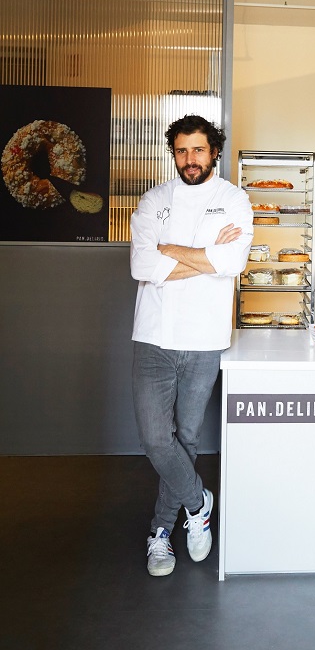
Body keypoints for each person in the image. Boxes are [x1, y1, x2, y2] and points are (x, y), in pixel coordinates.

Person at [130, 114, 253, 576]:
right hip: (153, 335)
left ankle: (161, 530)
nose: (190, 159)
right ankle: (198, 503)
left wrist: (171, 250)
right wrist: (205, 256)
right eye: (181, 150)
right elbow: (141, 266)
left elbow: (232, 261)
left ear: (214, 151)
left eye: (198, 150)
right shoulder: (154, 200)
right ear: (173, 153)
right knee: (154, 439)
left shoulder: (234, 200)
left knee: (187, 437)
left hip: (203, 339)